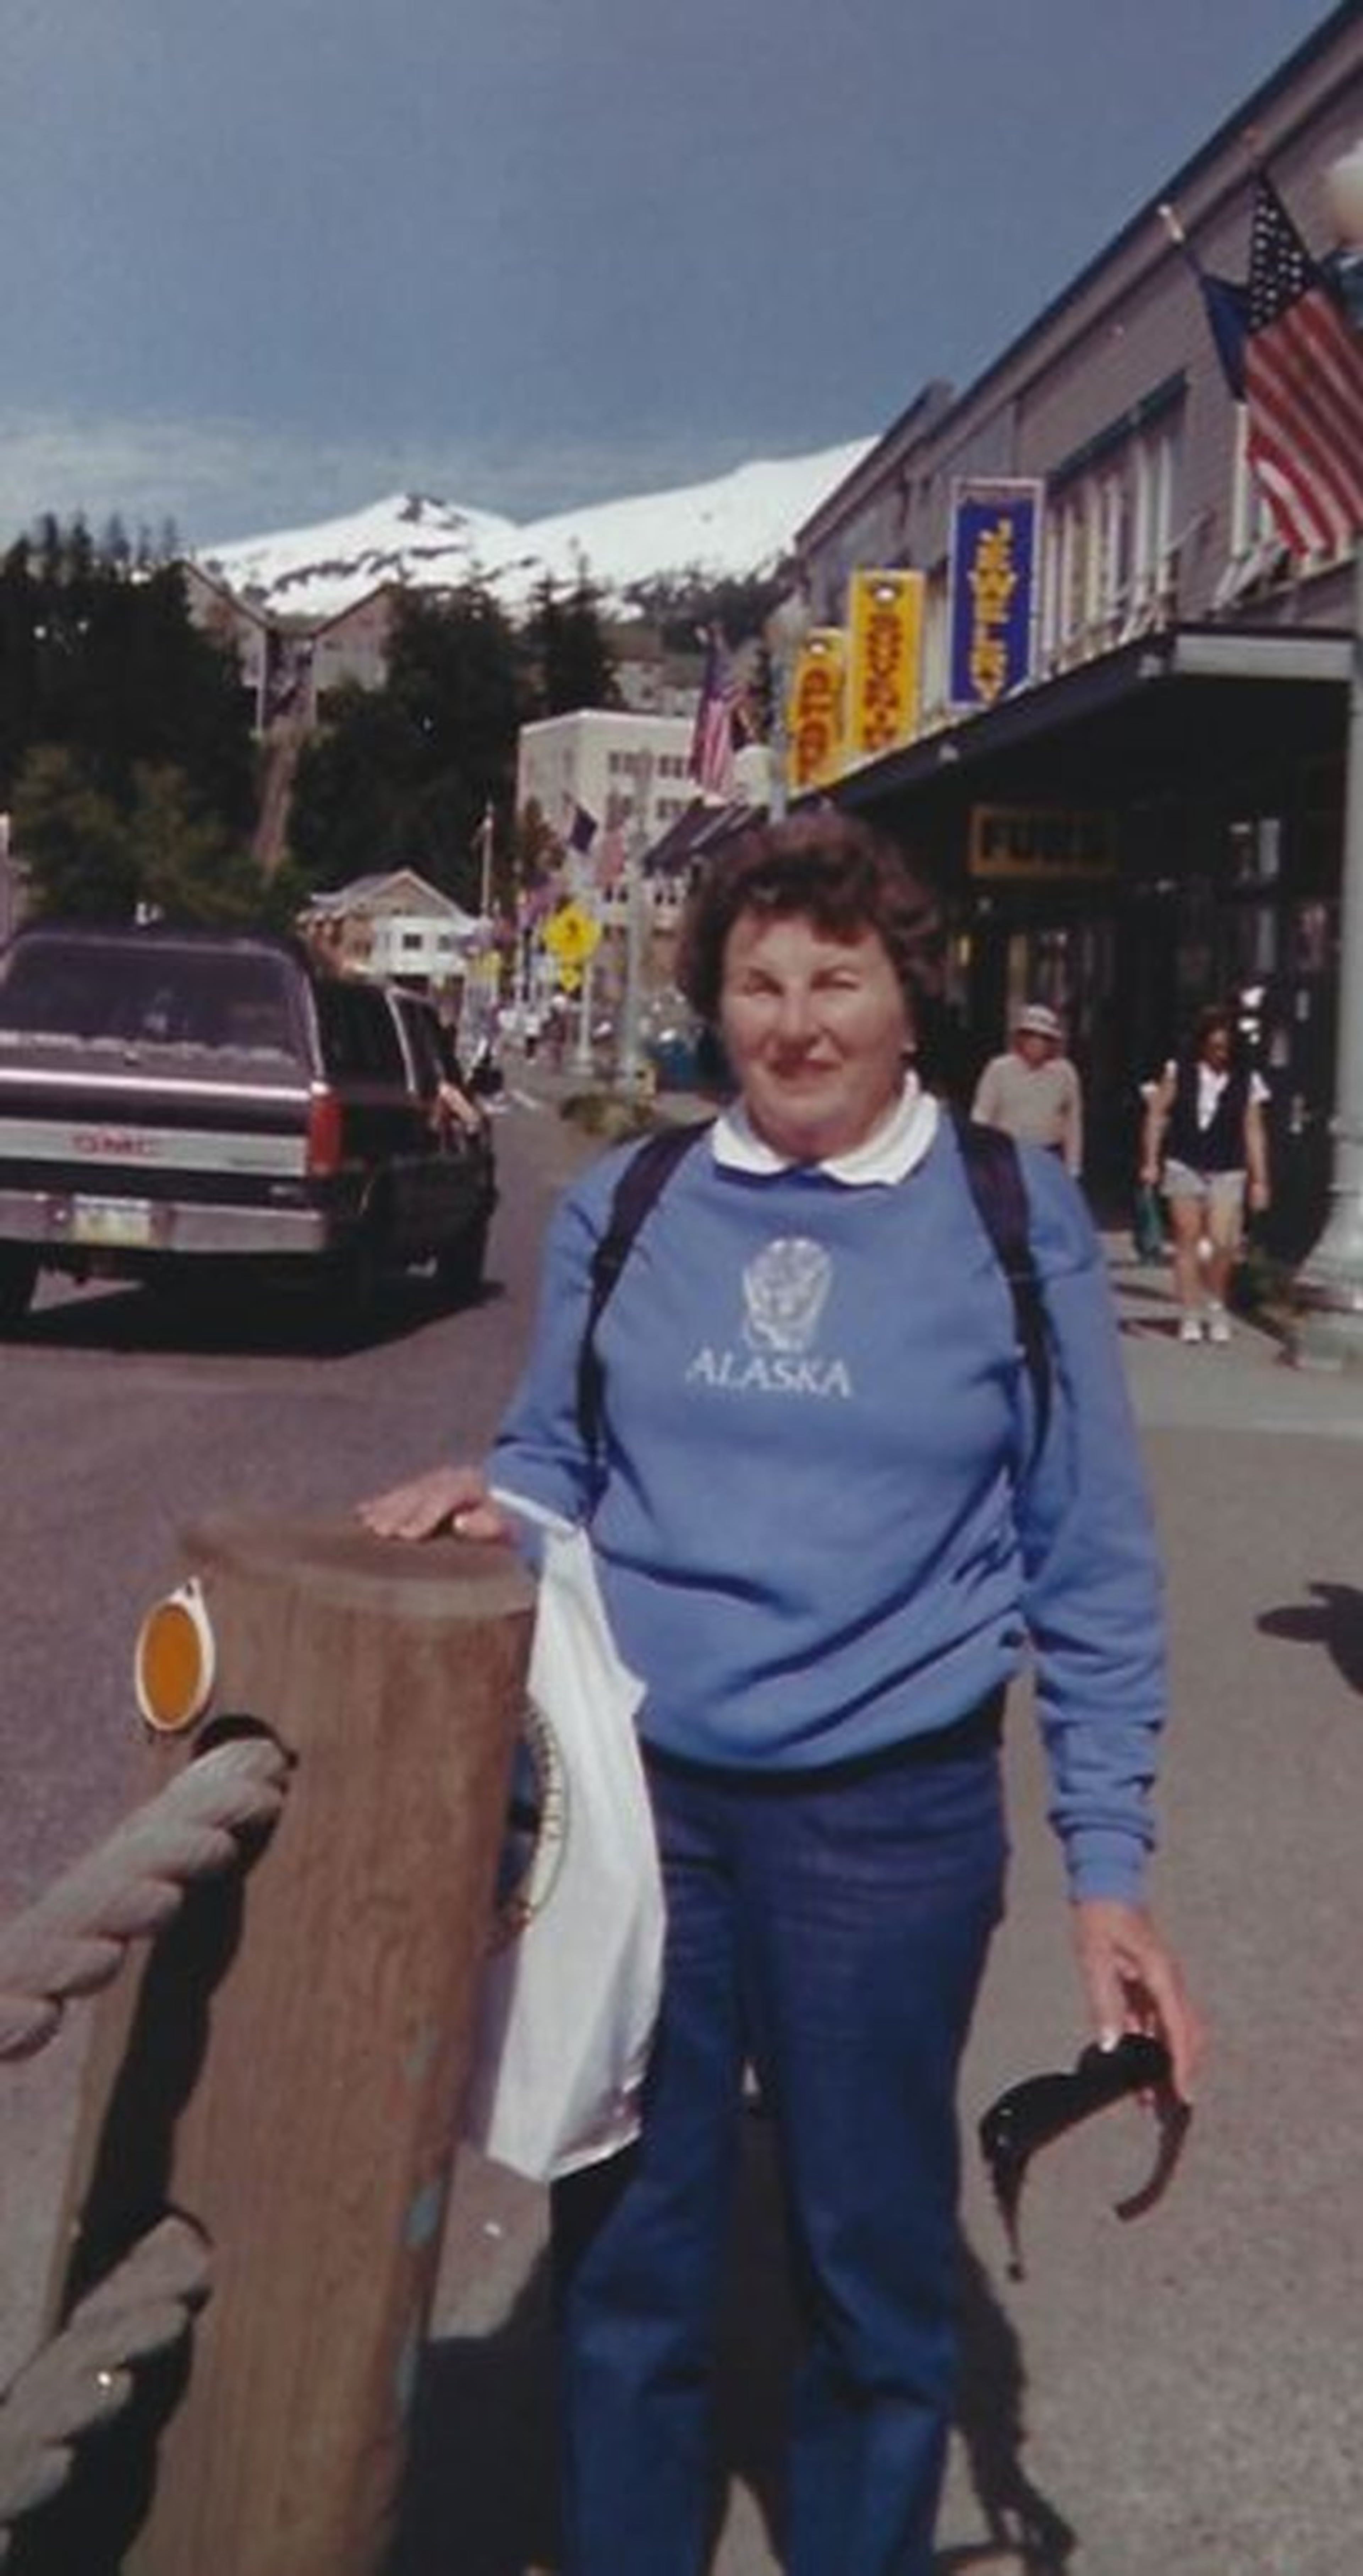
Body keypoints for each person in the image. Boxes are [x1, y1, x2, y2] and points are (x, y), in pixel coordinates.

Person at [360, 811, 1201, 2576]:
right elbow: (555, 1457)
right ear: (713, 1002)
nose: (799, 1017)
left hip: (887, 1827)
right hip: (641, 1821)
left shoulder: (1008, 1212)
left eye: (840, 975)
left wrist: (1109, 1871)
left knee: (873, 2268)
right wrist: (489, 1503)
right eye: (760, 980)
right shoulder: (630, 1203)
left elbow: (1093, 1563)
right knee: (629, 2262)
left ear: (913, 999)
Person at [1140, 1003, 1271, 1345]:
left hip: (1228, 1165)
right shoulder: (1179, 1071)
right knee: (1187, 1238)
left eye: (1226, 1047)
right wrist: (1151, 1160)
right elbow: (1156, 1114)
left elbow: (1253, 1130)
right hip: (1185, 1160)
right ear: (1202, 1044)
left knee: (1222, 1241)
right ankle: (1191, 1312)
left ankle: (1216, 1300)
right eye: (1214, 1046)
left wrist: (1260, 1179)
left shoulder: (1247, 1080)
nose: (1220, 1054)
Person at [972, 1001, 1084, 1176]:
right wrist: (982, 1158)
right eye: (1031, 1035)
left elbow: (1073, 1123)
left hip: (1049, 1155)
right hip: (1007, 1155)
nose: (1037, 1042)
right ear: (1020, 1038)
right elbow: (982, 1115)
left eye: (1044, 1038)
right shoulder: (999, 1069)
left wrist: (1073, 1167)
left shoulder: (1065, 1073)